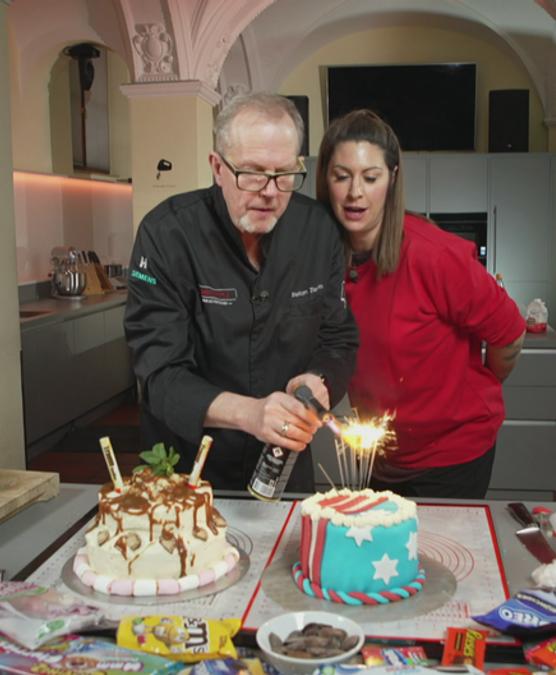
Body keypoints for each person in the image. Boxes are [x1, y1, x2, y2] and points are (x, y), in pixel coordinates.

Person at [124, 92, 359, 492]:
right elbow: (159, 373)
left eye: (284, 174)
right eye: (251, 173)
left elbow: (338, 338)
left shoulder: (319, 232)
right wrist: (251, 414)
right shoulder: (166, 234)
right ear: (217, 166)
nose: (269, 191)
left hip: (284, 466)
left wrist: (319, 380)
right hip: (186, 469)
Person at [316, 110, 526, 499]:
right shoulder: (322, 261)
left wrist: (473, 390)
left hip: (453, 454)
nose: (354, 192)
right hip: (380, 452)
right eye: (341, 176)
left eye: (370, 177)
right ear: (324, 180)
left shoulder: (435, 255)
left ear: (392, 179)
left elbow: (510, 334)